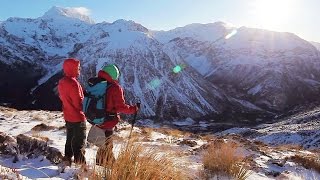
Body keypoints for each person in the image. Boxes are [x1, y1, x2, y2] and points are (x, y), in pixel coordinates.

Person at [94, 64, 139, 166]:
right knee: (108, 144)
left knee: (103, 143)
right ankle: (109, 166)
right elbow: (120, 107)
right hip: (107, 120)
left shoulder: (96, 83)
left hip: (95, 118)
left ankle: (100, 162)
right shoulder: (115, 88)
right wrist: (133, 109)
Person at [58, 58, 86, 166]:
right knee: (79, 143)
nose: (80, 69)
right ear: (72, 68)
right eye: (78, 67)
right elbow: (78, 103)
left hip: (68, 115)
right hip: (78, 117)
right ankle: (82, 166)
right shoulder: (74, 83)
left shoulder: (62, 82)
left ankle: (67, 159)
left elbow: (64, 97)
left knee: (69, 139)